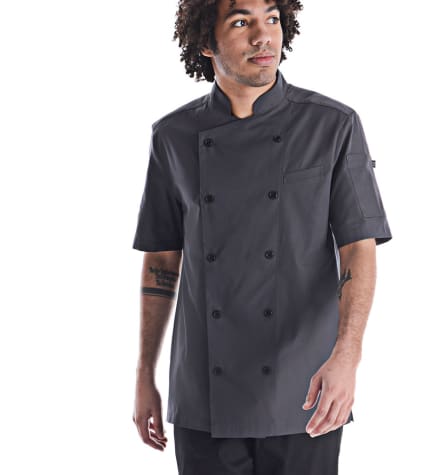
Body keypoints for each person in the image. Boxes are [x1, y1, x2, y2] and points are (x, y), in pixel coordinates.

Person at [131, 0, 393, 473]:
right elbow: (161, 261)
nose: (263, 36)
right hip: (203, 392)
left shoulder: (332, 125)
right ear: (205, 43)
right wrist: (144, 374)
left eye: (272, 19)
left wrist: (347, 356)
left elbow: (358, 247)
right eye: (241, 22)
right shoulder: (172, 136)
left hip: (306, 388)